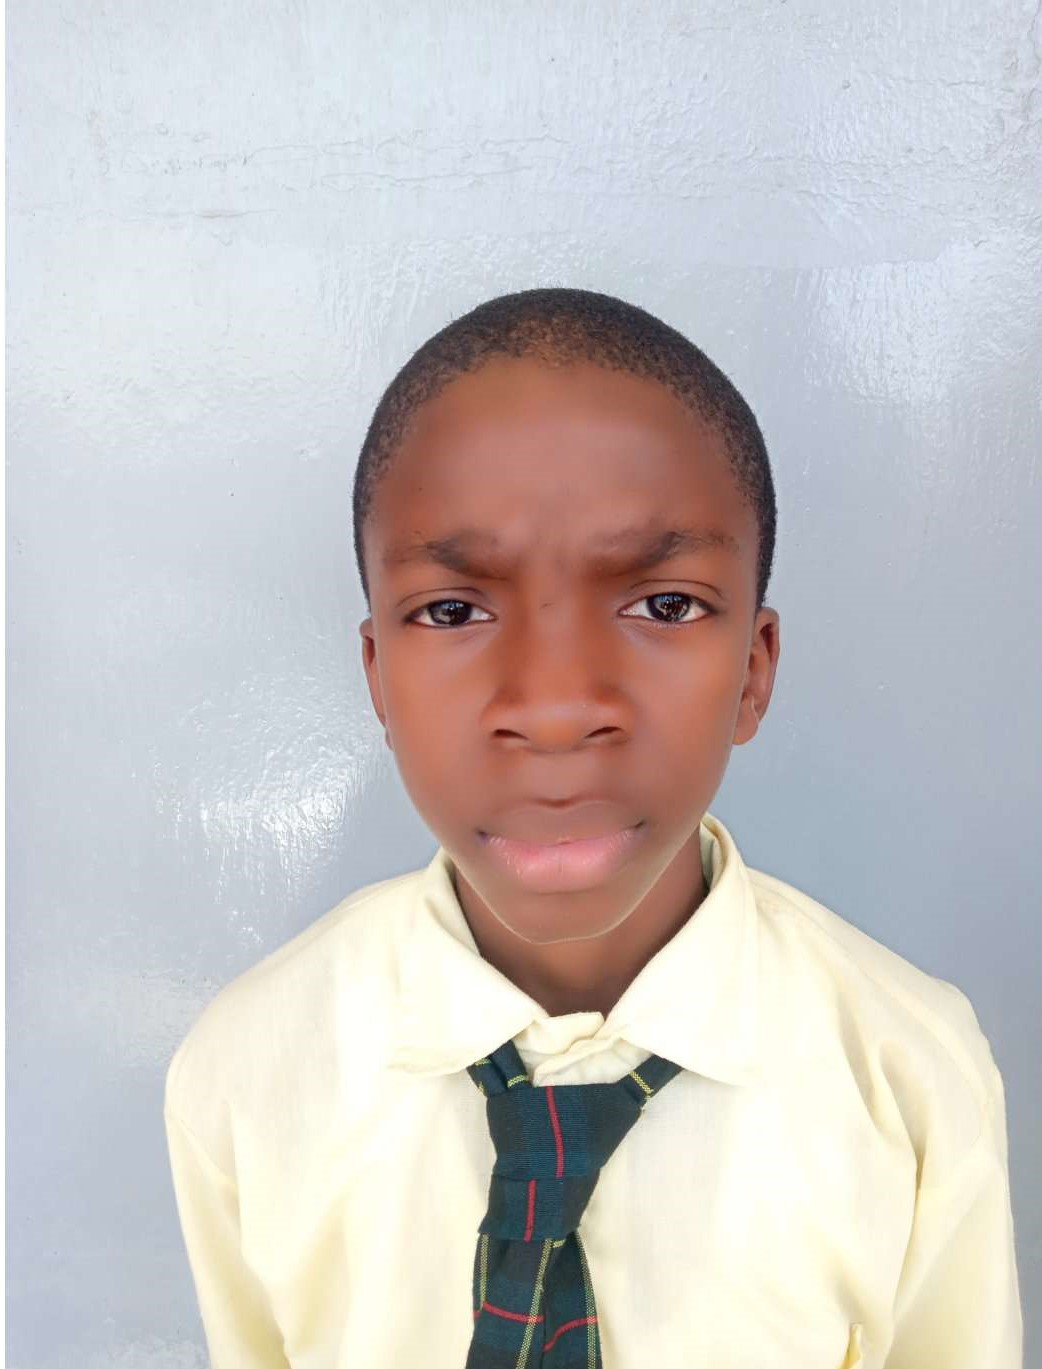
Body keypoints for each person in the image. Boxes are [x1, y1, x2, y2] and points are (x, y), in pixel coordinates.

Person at [164, 288, 1022, 1368]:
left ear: (753, 672)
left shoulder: (909, 1072)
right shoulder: (247, 1072)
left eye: (665, 604)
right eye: (452, 610)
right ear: (377, 674)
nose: (558, 706)